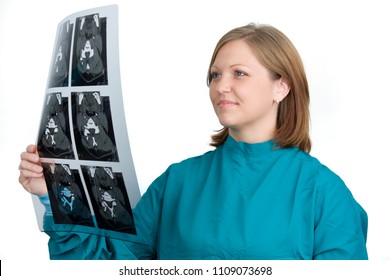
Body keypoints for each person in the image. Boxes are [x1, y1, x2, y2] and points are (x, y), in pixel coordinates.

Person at [18, 23, 368, 260]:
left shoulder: (324, 192)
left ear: (282, 86)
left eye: (239, 73)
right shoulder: (178, 183)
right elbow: (108, 267)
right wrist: (54, 194)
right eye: (215, 75)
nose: (221, 86)